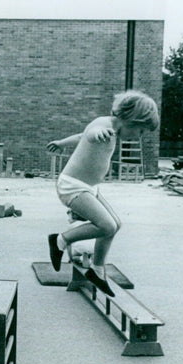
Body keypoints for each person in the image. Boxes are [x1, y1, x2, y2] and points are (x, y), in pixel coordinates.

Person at [46, 90, 160, 297]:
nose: (138, 137)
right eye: (141, 131)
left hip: (88, 187)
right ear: (132, 119)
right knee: (106, 225)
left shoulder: (112, 130)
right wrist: (96, 135)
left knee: (115, 225)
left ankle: (97, 270)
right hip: (73, 186)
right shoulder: (104, 126)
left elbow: (81, 136)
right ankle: (60, 241)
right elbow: (91, 133)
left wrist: (63, 143)